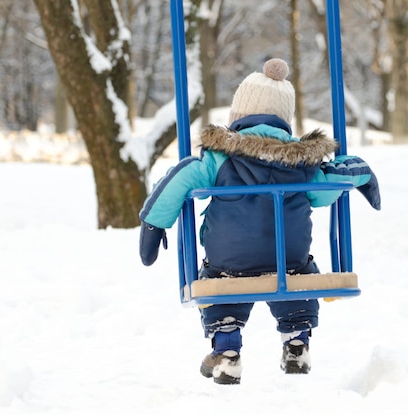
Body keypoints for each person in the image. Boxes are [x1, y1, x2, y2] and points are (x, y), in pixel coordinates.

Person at [138, 58, 381, 385]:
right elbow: (330, 186)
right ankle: (297, 344)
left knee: (217, 280)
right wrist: (362, 174)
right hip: (289, 261)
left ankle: (226, 351)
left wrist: (154, 222)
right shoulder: (303, 162)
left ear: (237, 117)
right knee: (298, 274)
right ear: (286, 121)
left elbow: (179, 179)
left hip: (228, 262)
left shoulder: (218, 157)